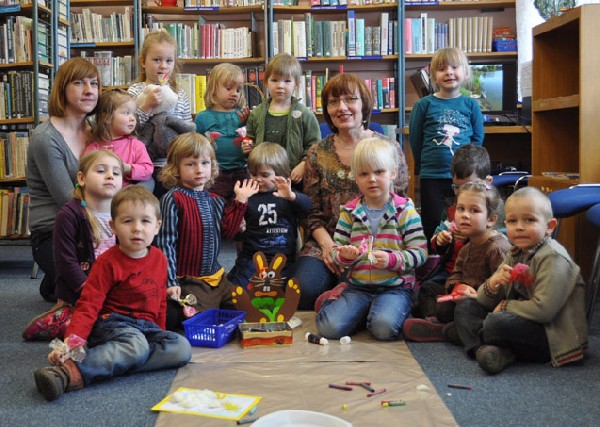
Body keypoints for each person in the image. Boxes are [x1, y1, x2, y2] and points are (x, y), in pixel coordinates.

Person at [33, 185, 192, 401]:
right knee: (136, 346)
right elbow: (88, 305)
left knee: (181, 348)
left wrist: (159, 331)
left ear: (157, 227)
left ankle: (116, 362)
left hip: (146, 328)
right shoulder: (107, 262)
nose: (137, 229)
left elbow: (159, 302)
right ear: (113, 226)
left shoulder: (159, 258)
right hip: (113, 324)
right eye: (127, 221)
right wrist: (72, 343)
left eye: (145, 221)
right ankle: (69, 371)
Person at [292, 73, 410, 310]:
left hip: (377, 242)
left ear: (364, 104)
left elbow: (400, 203)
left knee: (362, 290)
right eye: (334, 102)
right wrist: (329, 247)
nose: (342, 108)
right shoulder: (316, 153)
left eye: (350, 99)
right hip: (326, 241)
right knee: (301, 290)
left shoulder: (388, 148)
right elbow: (311, 212)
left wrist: (369, 249)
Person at [454, 187, 588, 374]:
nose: (519, 227)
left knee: (495, 324)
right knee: (466, 306)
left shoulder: (553, 257)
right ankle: (485, 351)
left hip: (552, 335)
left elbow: (544, 311)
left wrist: (506, 306)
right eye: (512, 221)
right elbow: (483, 300)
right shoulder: (516, 252)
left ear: (549, 226)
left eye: (529, 220)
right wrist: (494, 281)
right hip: (522, 320)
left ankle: (468, 335)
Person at [314, 138, 427, 340]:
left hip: (396, 288)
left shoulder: (405, 211)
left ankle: (372, 313)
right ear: (355, 178)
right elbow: (335, 252)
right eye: (364, 174)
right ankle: (340, 302)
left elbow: (420, 253)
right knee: (328, 328)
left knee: (383, 329)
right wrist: (344, 256)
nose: (372, 179)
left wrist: (392, 259)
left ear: (393, 173)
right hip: (358, 287)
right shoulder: (349, 212)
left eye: (379, 172)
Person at [155, 132, 258, 331]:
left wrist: (240, 201)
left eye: (205, 163)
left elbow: (228, 232)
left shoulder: (215, 200)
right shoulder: (173, 199)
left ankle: (211, 306)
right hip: (190, 281)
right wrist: (170, 282)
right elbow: (165, 244)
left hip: (218, 279)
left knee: (248, 308)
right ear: (175, 168)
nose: (199, 170)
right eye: (190, 164)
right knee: (201, 323)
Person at [23, 151, 124, 341]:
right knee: (99, 327)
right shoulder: (70, 214)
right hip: (81, 290)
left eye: (116, 173)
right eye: (101, 171)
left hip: (112, 289)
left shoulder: (122, 213)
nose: (110, 175)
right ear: (81, 178)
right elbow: (65, 261)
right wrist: (88, 291)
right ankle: (60, 320)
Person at [26, 57, 101, 302]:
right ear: (62, 89)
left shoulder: (99, 131)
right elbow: (68, 199)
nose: (89, 90)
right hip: (55, 230)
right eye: (79, 83)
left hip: (97, 222)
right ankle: (57, 278)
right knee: (93, 294)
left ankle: (54, 282)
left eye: (94, 83)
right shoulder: (45, 138)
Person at [403, 180, 511, 342]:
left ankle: (446, 329)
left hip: (482, 303)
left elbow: (505, 291)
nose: (465, 215)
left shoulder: (497, 248)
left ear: (491, 219)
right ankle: (437, 321)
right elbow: (456, 274)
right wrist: (457, 286)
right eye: (461, 209)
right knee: (428, 289)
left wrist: (475, 295)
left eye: (474, 210)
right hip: (463, 296)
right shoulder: (467, 246)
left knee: (462, 308)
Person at [409, 47, 484, 246]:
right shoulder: (423, 105)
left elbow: (477, 139)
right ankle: (434, 258)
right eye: (442, 69)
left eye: (454, 67)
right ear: (434, 76)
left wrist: (470, 168)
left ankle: (463, 257)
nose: (449, 72)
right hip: (432, 176)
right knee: (433, 223)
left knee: (464, 222)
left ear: (465, 72)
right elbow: (415, 139)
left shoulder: (471, 105)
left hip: (464, 177)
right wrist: (424, 167)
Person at [411, 144, 492, 320]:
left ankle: (445, 320)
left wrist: (472, 235)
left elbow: (501, 241)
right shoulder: (451, 208)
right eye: (457, 187)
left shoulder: (493, 211)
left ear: (488, 182)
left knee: (457, 305)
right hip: (451, 273)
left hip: (479, 277)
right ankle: (432, 321)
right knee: (425, 290)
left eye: (470, 185)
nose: (463, 192)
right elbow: (436, 241)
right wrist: (441, 240)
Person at [227, 142, 311, 288]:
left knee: (290, 290)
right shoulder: (247, 196)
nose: (258, 179)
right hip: (252, 258)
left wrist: (292, 197)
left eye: (265, 175)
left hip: (283, 259)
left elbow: (308, 207)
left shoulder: (286, 195)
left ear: (280, 174)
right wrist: (239, 212)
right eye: (253, 174)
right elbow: (232, 231)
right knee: (237, 291)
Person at [128, 31, 193, 197]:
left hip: (174, 165)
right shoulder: (135, 91)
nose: (163, 66)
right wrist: (146, 106)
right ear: (143, 61)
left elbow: (187, 130)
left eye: (169, 61)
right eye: (157, 60)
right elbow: (130, 127)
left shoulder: (180, 94)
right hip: (145, 164)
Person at [246, 53, 321, 186]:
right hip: (263, 180)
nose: (280, 85)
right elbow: (250, 140)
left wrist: (304, 164)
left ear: (296, 84)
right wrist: (247, 146)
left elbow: (315, 146)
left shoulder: (305, 115)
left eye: (287, 81)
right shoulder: (256, 114)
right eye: (274, 80)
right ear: (266, 82)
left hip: (294, 179)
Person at [194, 63, 251, 202]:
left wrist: (248, 122)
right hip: (215, 173)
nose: (234, 93)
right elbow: (196, 148)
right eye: (228, 88)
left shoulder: (244, 115)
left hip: (241, 171)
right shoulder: (202, 117)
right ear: (213, 89)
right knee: (216, 205)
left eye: (238, 90)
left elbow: (251, 138)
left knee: (242, 205)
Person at [83, 89, 154, 188]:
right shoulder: (94, 147)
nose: (132, 118)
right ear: (107, 118)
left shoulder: (136, 145)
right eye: (126, 113)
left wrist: (128, 169)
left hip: (127, 195)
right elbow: (85, 173)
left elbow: (148, 170)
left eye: (133, 113)